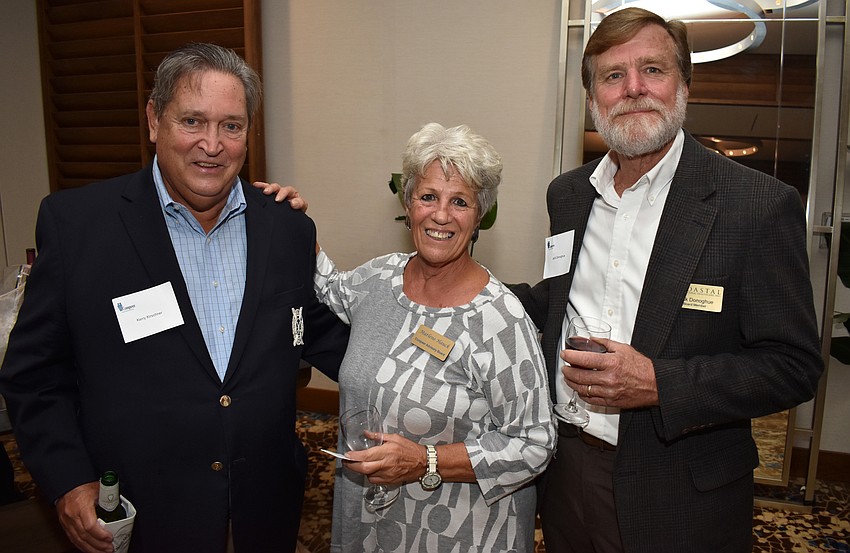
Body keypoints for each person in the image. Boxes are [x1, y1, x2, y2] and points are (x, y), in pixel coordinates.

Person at [0, 43, 349, 553]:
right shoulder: (78, 226)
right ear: (153, 121)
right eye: (192, 121)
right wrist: (69, 480)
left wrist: (431, 373)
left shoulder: (286, 228)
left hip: (264, 506)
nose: (212, 144)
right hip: (143, 513)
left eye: (231, 125)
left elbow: (313, 331)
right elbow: (34, 375)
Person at [510, 7, 824, 553]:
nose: (633, 88)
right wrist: (451, 284)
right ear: (592, 99)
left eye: (652, 69)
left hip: (682, 486)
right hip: (567, 469)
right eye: (613, 75)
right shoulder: (568, 194)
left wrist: (659, 383)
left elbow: (792, 366)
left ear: (684, 85)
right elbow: (557, 298)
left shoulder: (757, 205)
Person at [260, 122, 556, 552]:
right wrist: (293, 222)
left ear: (479, 217)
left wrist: (425, 460)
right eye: (429, 197)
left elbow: (535, 443)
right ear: (408, 203)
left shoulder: (501, 320)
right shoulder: (380, 278)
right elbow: (327, 285)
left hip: (458, 530)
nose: (441, 215)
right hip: (370, 516)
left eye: (460, 202)